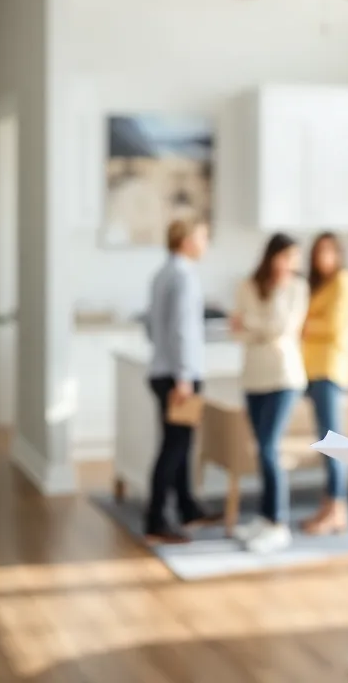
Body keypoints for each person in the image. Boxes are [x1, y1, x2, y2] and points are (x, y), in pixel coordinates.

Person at [231, 233, 309, 554]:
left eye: (295, 258)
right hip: (254, 377)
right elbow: (239, 332)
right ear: (272, 256)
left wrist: (255, 321)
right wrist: (257, 328)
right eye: (287, 256)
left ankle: (279, 523)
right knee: (260, 449)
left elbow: (283, 327)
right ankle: (264, 517)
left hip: (284, 377)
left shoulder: (296, 288)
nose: (293, 264)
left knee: (268, 447)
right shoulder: (247, 285)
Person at [144, 218, 219, 544]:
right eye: (203, 236)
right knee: (174, 448)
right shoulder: (185, 276)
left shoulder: (163, 273)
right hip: (180, 376)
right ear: (187, 240)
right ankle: (156, 519)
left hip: (164, 370)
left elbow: (151, 325)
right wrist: (185, 377)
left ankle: (188, 508)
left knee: (182, 444)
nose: (206, 242)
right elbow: (184, 331)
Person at [300, 232, 348, 536]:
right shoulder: (319, 286)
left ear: (338, 253)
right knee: (326, 443)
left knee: (334, 442)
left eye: (328, 251)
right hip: (312, 371)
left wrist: (302, 324)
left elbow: (335, 325)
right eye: (317, 251)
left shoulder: (345, 281)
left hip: (330, 370)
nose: (322, 257)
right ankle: (328, 505)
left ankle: (338, 509)